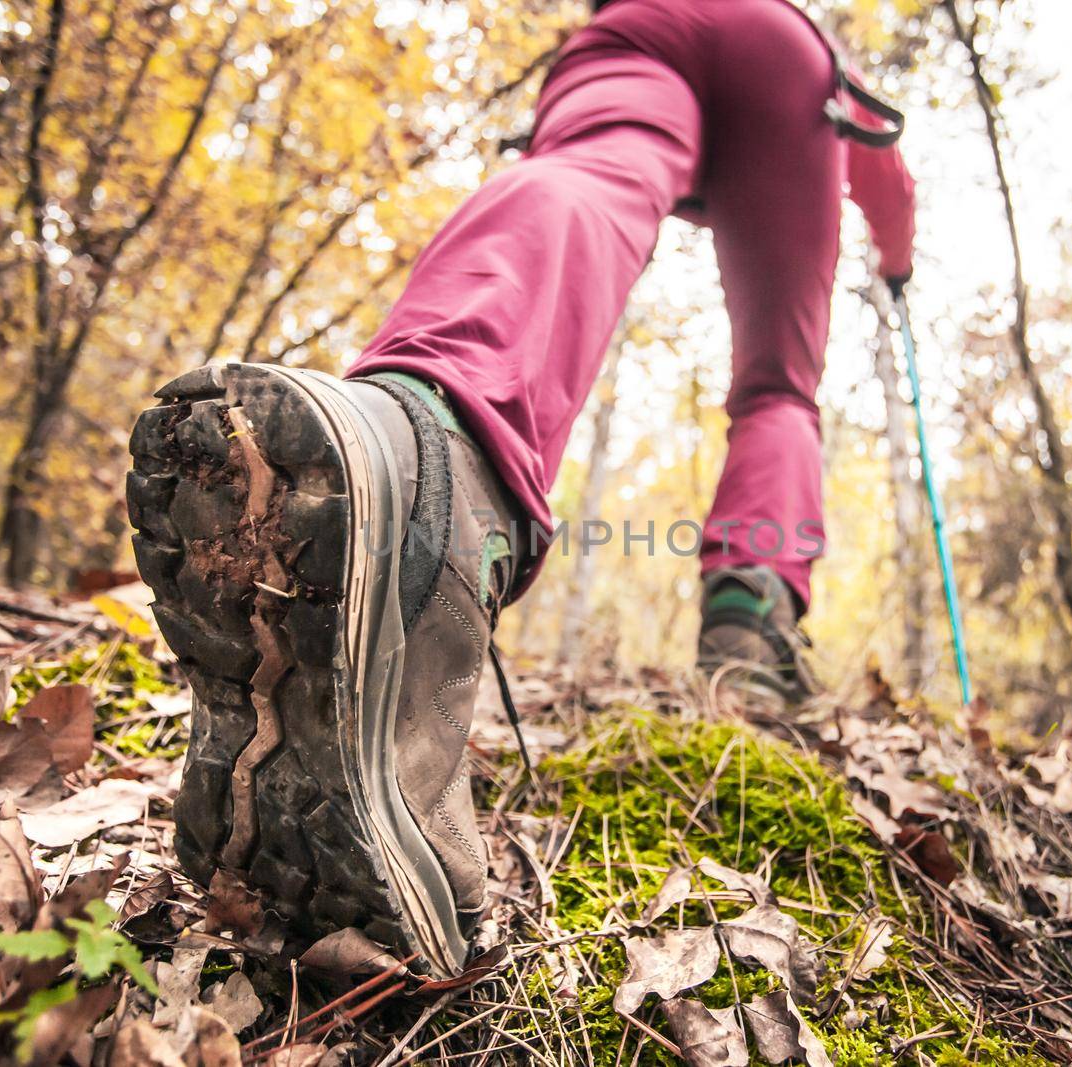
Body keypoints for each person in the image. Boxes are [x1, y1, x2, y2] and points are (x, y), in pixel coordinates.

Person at [126, 0, 914, 978]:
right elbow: (883, 172)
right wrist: (896, 255)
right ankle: (748, 634)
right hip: (783, 48)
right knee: (777, 385)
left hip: (640, 25)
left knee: (592, 176)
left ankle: (429, 452)